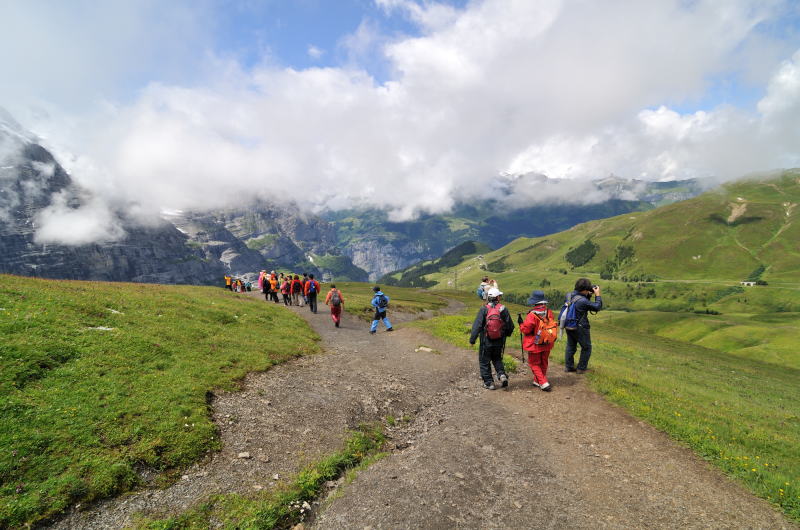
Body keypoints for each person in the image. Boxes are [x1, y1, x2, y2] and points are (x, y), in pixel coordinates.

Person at [469, 287, 514, 390]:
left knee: (484, 361)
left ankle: (489, 383)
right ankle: (501, 375)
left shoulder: (484, 309)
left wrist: (472, 340)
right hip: (499, 340)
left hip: (486, 341)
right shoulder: (503, 309)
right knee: (497, 358)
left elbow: (477, 325)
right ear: (497, 297)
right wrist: (505, 334)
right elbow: (510, 326)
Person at [519, 290, 557, 391]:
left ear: (534, 302)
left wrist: (521, 324)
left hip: (534, 344)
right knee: (544, 362)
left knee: (534, 363)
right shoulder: (549, 312)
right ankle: (537, 381)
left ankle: (543, 382)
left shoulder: (532, 315)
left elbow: (526, 330)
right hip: (547, 342)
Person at [564, 278, 603, 374]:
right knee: (586, 347)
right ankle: (581, 368)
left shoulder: (569, 295)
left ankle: (569, 367)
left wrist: (587, 295)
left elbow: (581, 303)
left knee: (571, 346)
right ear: (585, 289)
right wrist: (597, 295)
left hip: (568, 324)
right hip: (580, 327)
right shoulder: (583, 301)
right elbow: (597, 307)